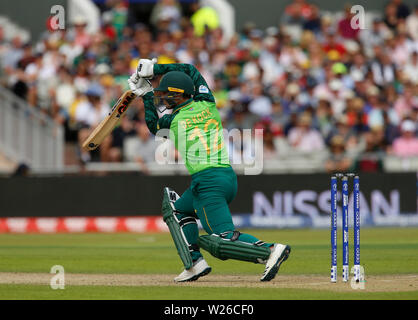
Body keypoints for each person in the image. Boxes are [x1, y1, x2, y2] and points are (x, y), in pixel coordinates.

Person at [127, 59, 291, 282]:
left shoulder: (172, 119)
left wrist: (145, 95)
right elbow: (190, 70)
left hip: (208, 182)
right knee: (177, 210)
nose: (162, 98)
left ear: (177, 95)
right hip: (222, 176)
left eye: (165, 94)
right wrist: (155, 70)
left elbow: (153, 126)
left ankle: (271, 250)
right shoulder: (207, 101)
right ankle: (194, 263)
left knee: (221, 238)